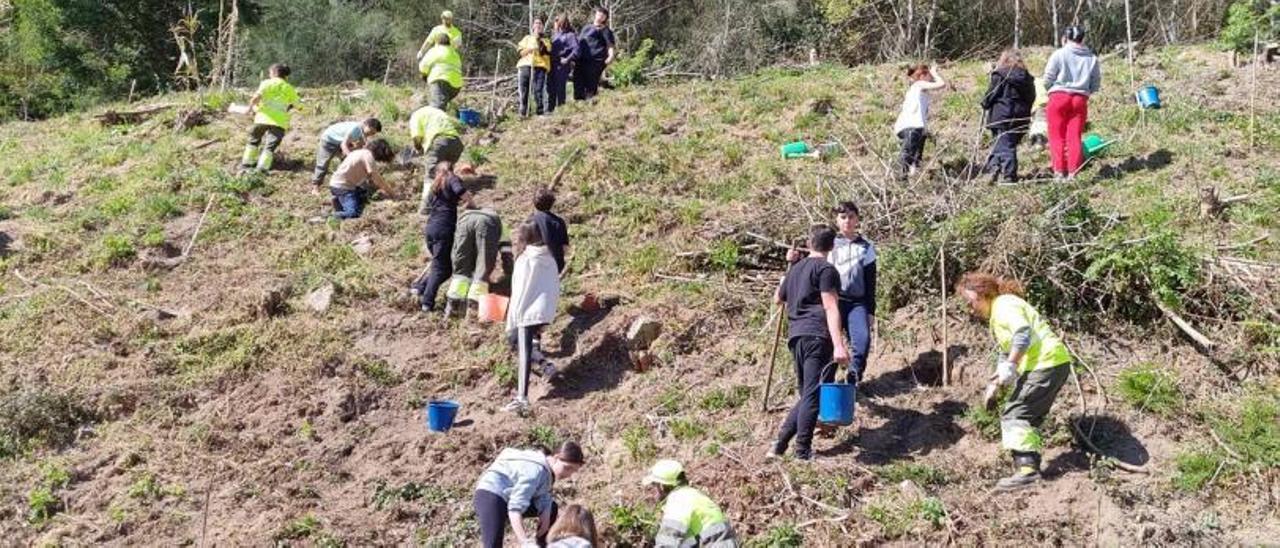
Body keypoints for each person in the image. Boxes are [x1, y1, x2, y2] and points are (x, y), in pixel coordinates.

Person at [956, 272, 1072, 491]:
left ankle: (1027, 471)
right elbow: (1007, 350)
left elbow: (1022, 335)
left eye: (970, 300)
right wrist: (996, 383)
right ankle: (1029, 466)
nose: (969, 307)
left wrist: (1011, 366)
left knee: (1016, 413)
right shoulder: (998, 314)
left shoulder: (1004, 305)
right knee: (1027, 416)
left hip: (1046, 363)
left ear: (982, 292)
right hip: (1049, 363)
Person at [768, 225, 851, 461]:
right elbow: (830, 306)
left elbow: (777, 299)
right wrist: (838, 344)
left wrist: (790, 268)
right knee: (813, 395)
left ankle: (780, 444)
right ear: (832, 246)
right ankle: (802, 452)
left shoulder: (796, 270)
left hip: (796, 336)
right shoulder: (826, 270)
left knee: (808, 393)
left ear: (808, 243)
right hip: (817, 335)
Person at [474, 442, 586, 548]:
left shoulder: (547, 472)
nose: (568, 474)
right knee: (493, 545)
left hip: (507, 497)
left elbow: (542, 495)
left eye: (573, 471)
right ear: (556, 458)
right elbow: (515, 509)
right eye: (567, 468)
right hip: (491, 495)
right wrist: (525, 542)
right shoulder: (534, 471)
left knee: (551, 508)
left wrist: (545, 513)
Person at [504, 220, 561, 414]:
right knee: (518, 342)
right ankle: (546, 366)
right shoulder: (550, 256)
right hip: (545, 310)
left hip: (527, 312)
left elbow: (519, 291)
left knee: (524, 352)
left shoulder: (525, 259)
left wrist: (515, 318)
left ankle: (522, 398)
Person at [1043, 26, 1102, 181]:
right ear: (1083, 39)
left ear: (1065, 38)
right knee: (1074, 136)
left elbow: (1048, 78)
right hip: (1080, 100)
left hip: (1058, 97)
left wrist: (1051, 89)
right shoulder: (1092, 58)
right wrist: (1085, 91)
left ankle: (1058, 172)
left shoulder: (1059, 54)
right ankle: (1072, 173)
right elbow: (1096, 83)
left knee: (1056, 136)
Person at [412, 161, 472, 313]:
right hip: (444, 229)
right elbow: (462, 194)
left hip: (431, 228)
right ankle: (427, 302)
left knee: (444, 268)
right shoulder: (451, 178)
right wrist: (472, 205)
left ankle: (419, 288)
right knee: (440, 268)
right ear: (451, 169)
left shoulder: (435, 185)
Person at [642, 459, 739, 547]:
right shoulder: (692, 495)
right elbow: (687, 542)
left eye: (654, 485)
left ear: (662, 486)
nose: (652, 490)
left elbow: (668, 540)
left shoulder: (678, 500)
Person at [981, 50, 1036, 184]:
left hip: (1002, 114)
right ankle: (993, 169)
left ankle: (1009, 175)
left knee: (1005, 145)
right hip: (1021, 116)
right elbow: (1032, 97)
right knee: (1002, 143)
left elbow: (992, 93)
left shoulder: (1000, 75)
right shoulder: (1027, 78)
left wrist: (985, 102)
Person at [445, 200, 502, 317]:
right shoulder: (496, 220)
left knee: (461, 272)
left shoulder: (469, 214)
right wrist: (509, 273)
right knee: (482, 269)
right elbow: (506, 249)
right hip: (487, 223)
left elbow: (457, 249)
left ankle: (453, 305)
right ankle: (474, 309)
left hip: (464, 220)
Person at [241, 63, 300, 173]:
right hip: (279, 122)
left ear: (274, 72)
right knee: (270, 147)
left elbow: (255, 98)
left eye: (270, 73)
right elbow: (299, 106)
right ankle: (262, 169)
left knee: (253, 141)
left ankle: (247, 164)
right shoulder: (289, 88)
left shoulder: (266, 83)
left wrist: (249, 109)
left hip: (261, 119)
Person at [892, 63, 946, 180]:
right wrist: (935, 72)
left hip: (917, 128)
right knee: (907, 156)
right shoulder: (918, 85)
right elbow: (942, 84)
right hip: (911, 126)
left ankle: (911, 180)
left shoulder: (919, 92)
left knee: (915, 159)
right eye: (929, 75)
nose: (931, 78)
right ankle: (901, 181)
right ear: (922, 76)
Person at [408, 104, 464, 214]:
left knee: (431, 176)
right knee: (446, 175)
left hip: (439, 142)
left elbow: (416, 137)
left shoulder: (415, 115)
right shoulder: (438, 112)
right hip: (456, 143)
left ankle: (425, 208)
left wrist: (418, 148)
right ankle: (449, 201)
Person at [326, 138, 398, 220]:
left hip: (337, 183)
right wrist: (392, 193)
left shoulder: (360, 152)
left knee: (365, 195)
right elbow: (376, 178)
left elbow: (370, 180)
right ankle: (330, 217)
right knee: (353, 213)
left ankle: (338, 199)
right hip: (343, 187)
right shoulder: (368, 157)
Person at [311, 118, 381, 190]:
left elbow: (361, 147)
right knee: (323, 163)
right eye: (371, 132)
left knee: (349, 163)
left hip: (340, 141)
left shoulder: (363, 132)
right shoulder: (356, 129)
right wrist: (351, 157)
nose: (371, 134)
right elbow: (343, 145)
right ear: (367, 125)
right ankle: (315, 186)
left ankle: (348, 182)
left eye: (373, 133)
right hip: (329, 140)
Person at [573, 7, 616, 101]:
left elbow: (610, 45)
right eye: (599, 14)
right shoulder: (586, 27)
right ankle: (579, 105)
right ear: (595, 14)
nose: (600, 16)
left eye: (603, 15)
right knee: (578, 82)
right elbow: (579, 42)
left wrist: (611, 56)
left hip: (595, 61)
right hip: (581, 60)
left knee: (591, 84)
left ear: (605, 18)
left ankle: (591, 104)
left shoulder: (605, 30)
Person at [418, 33, 464, 110]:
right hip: (456, 86)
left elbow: (423, 67)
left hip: (441, 80)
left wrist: (424, 76)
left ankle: (436, 120)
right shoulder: (455, 53)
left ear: (437, 42)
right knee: (442, 103)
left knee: (437, 107)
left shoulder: (435, 50)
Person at [517, 17, 553, 117]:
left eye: (540, 23)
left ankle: (540, 111)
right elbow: (521, 53)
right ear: (533, 26)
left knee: (539, 89)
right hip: (525, 65)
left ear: (542, 26)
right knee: (524, 89)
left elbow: (545, 52)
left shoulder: (546, 40)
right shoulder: (527, 38)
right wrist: (530, 48)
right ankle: (524, 112)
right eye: (536, 23)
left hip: (540, 66)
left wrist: (539, 41)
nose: (538, 25)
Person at [531, 187, 571, 275]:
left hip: (533, 265)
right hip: (554, 265)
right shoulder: (559, 222)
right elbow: (565, 248)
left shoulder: (529, 221)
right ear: (552, 203)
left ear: (534, 203)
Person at [548, 15, 579, 113]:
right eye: (555, 21)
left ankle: (561, 112)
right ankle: (550, 111)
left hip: (562, 66)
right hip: (551, 65)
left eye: (557, 21)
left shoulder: (570, 35)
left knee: (560, 89)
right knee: (550, 89)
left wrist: (567, 59)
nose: (555, 23)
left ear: (562, 22)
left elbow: (577, 50)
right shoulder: (554, 36)